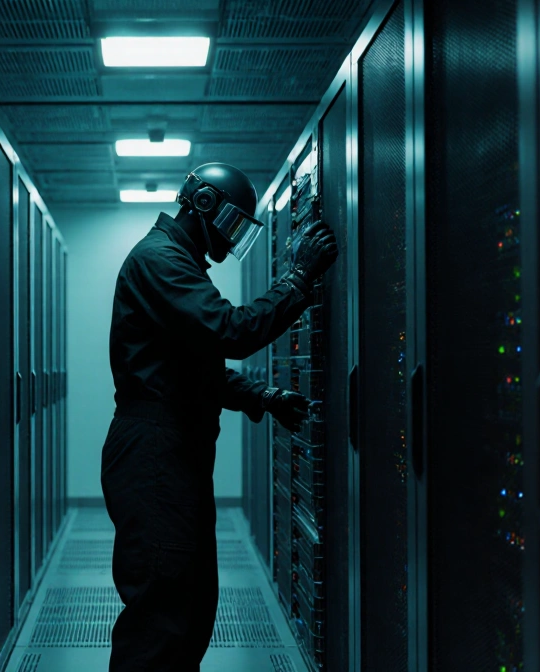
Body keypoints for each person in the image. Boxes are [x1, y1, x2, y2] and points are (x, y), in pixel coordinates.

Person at [101, 162, 340, 670]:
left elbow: (191, 368)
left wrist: (263, 396)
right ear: (204, 206)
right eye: (231, 224)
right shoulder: (161, 260)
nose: (231, 239)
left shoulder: (174, 261)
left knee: (190, 607)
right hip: (155, 456)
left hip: (171, 453)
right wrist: (298, 280)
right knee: (162, 615)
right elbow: (230, 330)